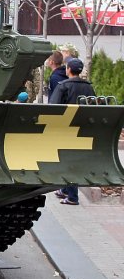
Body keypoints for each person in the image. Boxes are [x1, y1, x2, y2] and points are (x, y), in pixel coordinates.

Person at [49, 57, 95, 205]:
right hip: (82, 128)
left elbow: (53, 108)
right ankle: (65, 189)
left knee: (67, 161)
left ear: (68, 69)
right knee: (71, 159)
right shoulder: (88, 87)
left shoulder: (63, 86)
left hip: (66, 128)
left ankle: (73, 197)